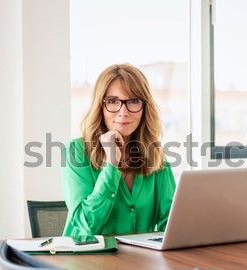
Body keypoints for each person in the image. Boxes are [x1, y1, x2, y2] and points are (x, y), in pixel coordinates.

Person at [62, 63, 176, 237]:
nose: (123, 112)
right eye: (113, 101)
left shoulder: (155, 155)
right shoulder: (76, 152)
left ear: (144, 107)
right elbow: (88, 225)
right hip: (86, 258)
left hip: (139, 261)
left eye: (133, 101)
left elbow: (172, 223)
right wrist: (111, 164)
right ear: (100, 106)